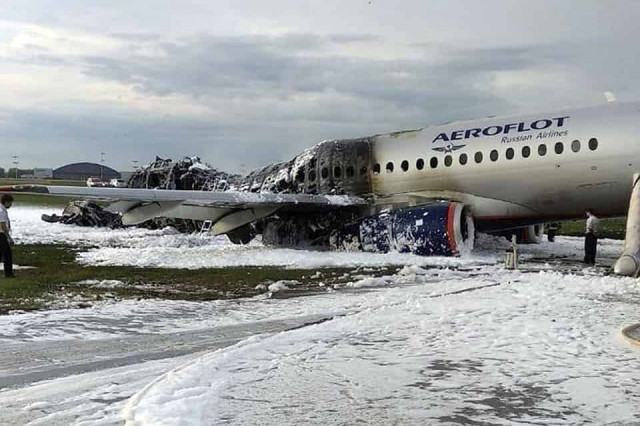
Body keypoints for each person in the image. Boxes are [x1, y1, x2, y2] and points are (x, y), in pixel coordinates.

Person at [0, 194, 15, 278]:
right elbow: (3, 225)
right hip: (1, 234)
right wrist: (9, 237)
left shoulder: (2, 209)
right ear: (6, 202)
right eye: (10, 203)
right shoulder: (1, 211)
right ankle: (8, 273)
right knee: (7, 254)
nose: (11, 205)